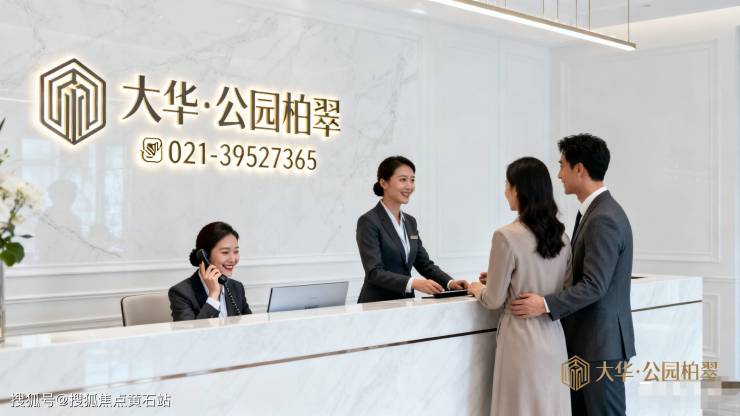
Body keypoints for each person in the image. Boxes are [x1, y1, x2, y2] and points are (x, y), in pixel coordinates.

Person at [510, 134, 635, 416]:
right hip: (590, 344)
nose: (559, 175)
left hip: (600, 346)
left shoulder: (603, 218)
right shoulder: (595, 212)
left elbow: (594, 285)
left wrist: (544, 304)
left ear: (579, 169)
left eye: (562, 166)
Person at [468, 157, 571, 416]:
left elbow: (493, 300)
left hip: (520, 341)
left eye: (507, 184)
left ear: (518, 189)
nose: (505, 190)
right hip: (554, 338)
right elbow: (566, 290)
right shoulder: (563, 237)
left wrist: (475, 288)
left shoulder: (505, 236)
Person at [356, 156, 468, 303]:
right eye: (403, 180)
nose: (409, 186)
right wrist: (413, 283)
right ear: (384, 183)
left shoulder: (410, 222)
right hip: (376, 305)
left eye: (412, 180)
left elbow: (424, 264)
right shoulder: (369, 221)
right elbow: (374, 272)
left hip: (405, 304)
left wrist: (450, 283)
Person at [169, 221, 252, 320]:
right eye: (225, 252)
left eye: (236, 251)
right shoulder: (181, 293)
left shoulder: (237, 288)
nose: (233, 259)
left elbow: (251, 325)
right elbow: (193, 330)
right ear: (205, 256)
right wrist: (213, 295)